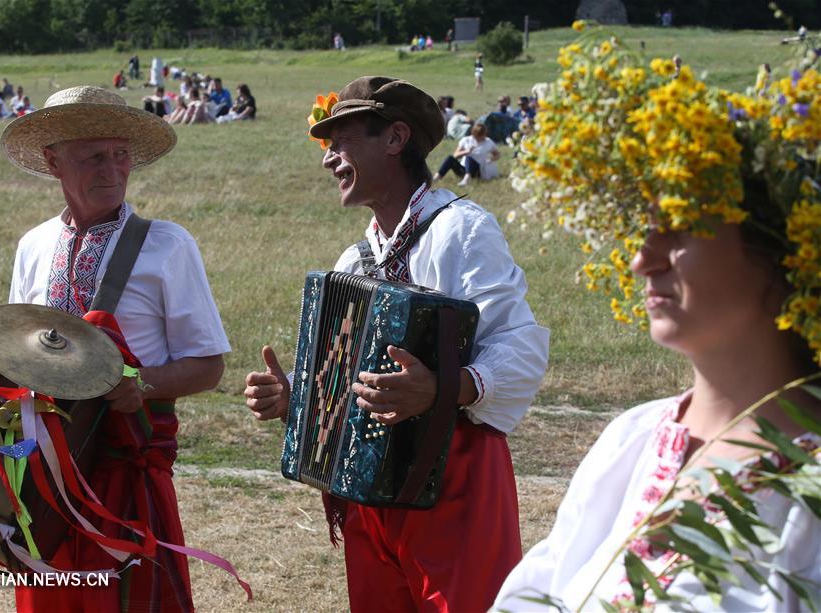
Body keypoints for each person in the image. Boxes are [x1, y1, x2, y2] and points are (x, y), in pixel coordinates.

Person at [492, 41, 820, 613]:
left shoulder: (809, 493)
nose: (643, 259)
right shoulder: (634, 439)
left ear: (786, 255)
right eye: (645, 228)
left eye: (681, 228)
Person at [244, 76, 549, 612]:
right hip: (368, 492)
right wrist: (297, 399)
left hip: (455, 480)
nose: (329, 159)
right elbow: (343, 383)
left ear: (394, 138)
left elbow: (520, 347)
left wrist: (440, 389)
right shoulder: (353, 262)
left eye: (340, 142)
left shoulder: (462, 231)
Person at [0, 85, 235, 611]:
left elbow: (208, 366)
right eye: (92, 157)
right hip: (44, 481)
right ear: (53, 161)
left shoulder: (168, 245)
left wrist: (139, 386)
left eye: (120, 154)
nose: (112, 169)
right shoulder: (33, 246)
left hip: (124, 477)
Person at [433, 122, 500, 186]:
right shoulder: (466, 140)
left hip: (478, 170)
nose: (482, 137)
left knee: (469, 157)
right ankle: (437, 177)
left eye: (483, 135)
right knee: (450, 158)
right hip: (463, 168)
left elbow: (497, 154)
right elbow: (455, 155)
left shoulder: (488, 142)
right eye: (480, 135)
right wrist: (466, 152)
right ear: (474, 134)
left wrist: (490, 159)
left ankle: (467, 178)